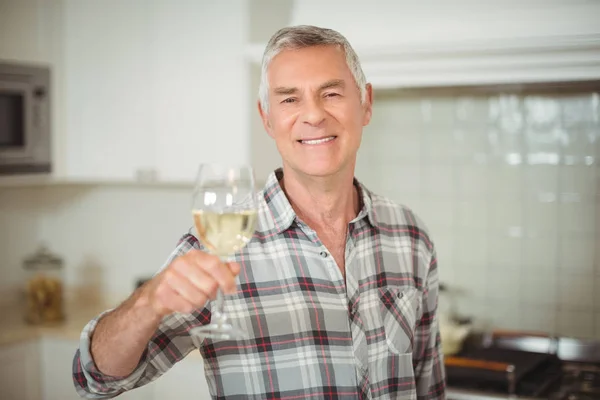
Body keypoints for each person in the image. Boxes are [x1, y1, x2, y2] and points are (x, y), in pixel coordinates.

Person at [72, 25, 446, 399]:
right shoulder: (216, 245)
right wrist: (148, 302)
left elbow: (430, 388)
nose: (313, 115)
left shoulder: (410, 236)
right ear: (266, 117)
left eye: (330, 93)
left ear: (365, 103)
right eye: (289, 100)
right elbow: (96, 379)